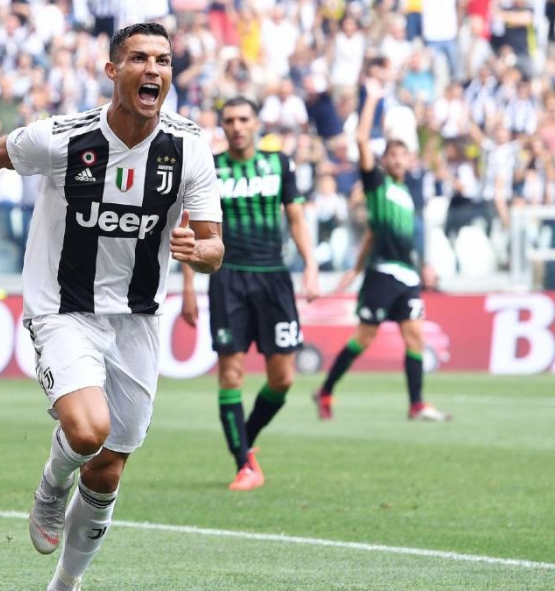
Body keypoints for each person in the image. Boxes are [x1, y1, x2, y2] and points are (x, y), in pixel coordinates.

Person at [0, 23, 224, 591]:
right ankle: (52, 485)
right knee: (86, 432)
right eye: (138, 58)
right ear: (113, 70)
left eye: (162, 60)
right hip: (63, 307)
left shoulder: (189, 149)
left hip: (137, 318)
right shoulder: (64, 138)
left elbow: (213, 247)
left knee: (107, 472)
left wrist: (198, 251)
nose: (152, 69)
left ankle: (64, 585)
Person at [179, 97, 319, 492]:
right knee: (231, 373)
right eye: (229, 120)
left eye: (244, 119)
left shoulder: (280, 164)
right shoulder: (209, 168)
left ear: (257, 123)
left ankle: (245, 439)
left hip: (275, 278)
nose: (237, 126)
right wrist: (189, 286)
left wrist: (310, 266)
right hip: (227, 278)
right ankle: (244, 465)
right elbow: (191, 231)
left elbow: (296, 219)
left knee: (283, 378)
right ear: (222, 126)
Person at [314, 78, 450, 422]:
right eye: (392, 154)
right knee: (364, 338)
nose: (398, 159)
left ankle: (416, 404)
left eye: (402, 154)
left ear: (409, 159)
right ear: (384, 159)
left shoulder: (407, 194)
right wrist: (372, 98)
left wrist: (424, 264)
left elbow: (376, 233)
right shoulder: (377, 184)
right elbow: (361, 139)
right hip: (383, 273)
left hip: (408, 275)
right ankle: (326, 390)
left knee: (415, 337)